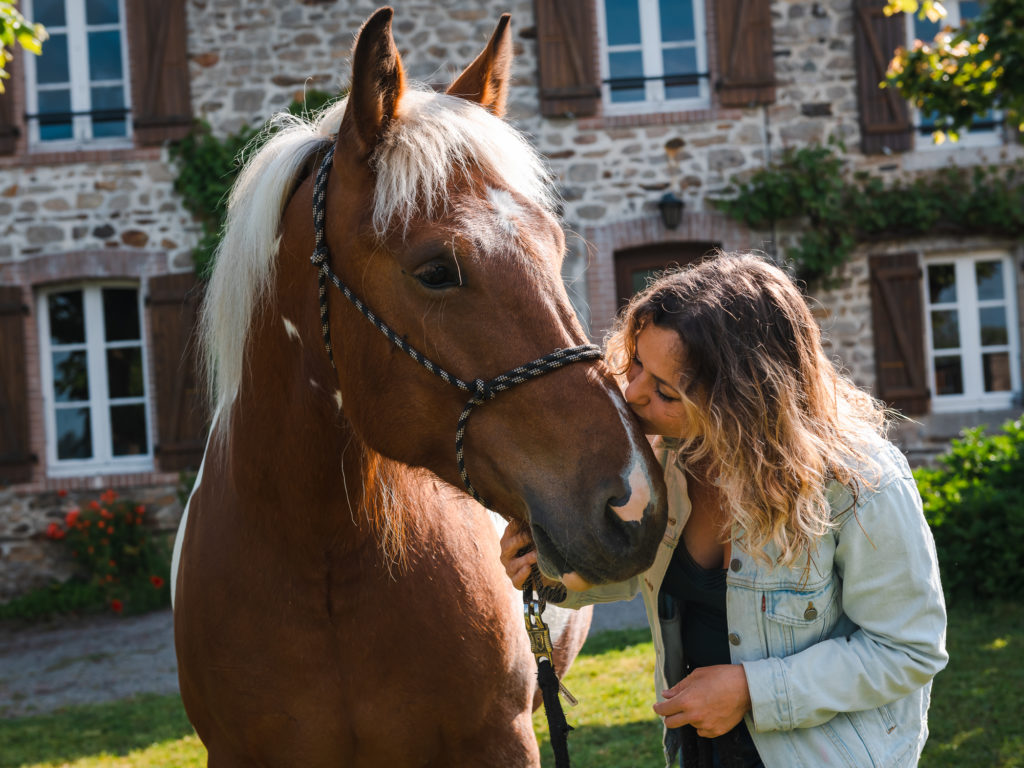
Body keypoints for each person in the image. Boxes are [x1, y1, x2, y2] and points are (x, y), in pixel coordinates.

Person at [501, 253, 947, 768]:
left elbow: (909, 649)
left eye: (665, 391)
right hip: (699, 749)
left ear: (742, 402)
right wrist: (557, 570)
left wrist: (751, 691)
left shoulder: (860, 482)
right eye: (637, 363)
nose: (633, 393)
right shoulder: (667, 456)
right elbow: (647, 572)